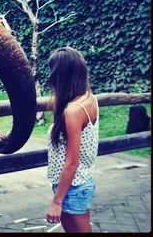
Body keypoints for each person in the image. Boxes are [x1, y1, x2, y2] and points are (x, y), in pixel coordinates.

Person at [45, 47, 99, 232]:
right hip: (81, 182)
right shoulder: (89, 97)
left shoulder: (73, 111)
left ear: (60, 76)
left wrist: (56, 202)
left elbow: (71, 163)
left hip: (72, 187)